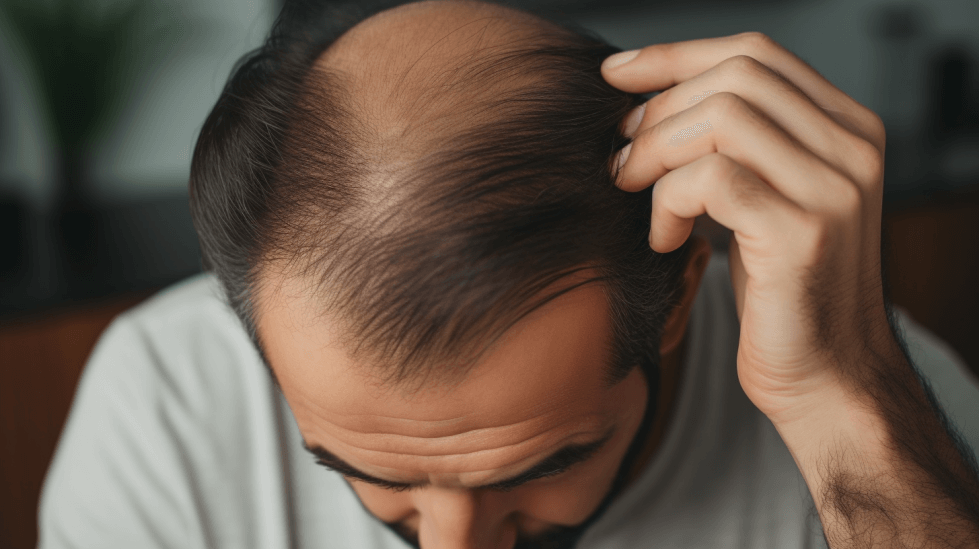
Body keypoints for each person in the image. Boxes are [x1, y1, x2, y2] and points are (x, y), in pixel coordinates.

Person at [38, 0, 979, 548]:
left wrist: (844, 402)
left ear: (683, 291)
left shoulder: (886, 409)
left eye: (551, 460)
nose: (455, 544)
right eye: (365, 472)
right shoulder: (162, 403)